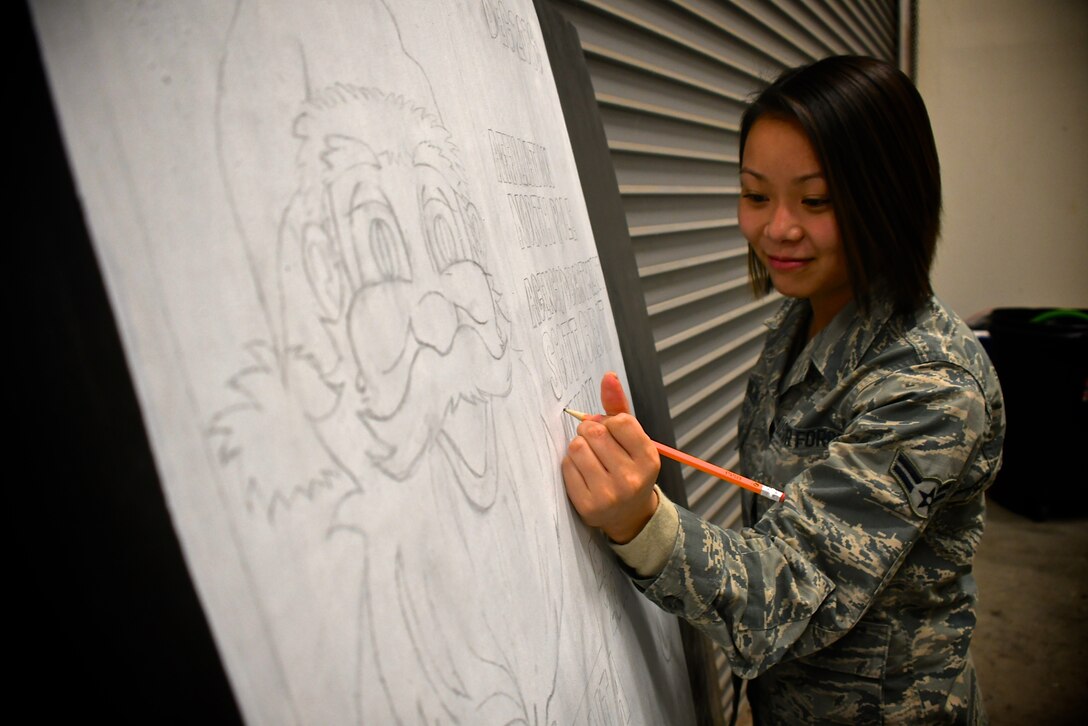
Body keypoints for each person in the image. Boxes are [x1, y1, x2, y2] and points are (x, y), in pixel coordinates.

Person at [562, 55, 1005, 725]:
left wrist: (638, 524)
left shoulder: (932, 387)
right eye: (755, 193)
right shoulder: (801, 320)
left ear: (888, 196)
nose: (777, 229)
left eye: (816, 200)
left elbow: (786, 591)